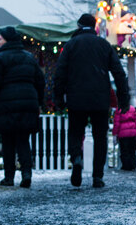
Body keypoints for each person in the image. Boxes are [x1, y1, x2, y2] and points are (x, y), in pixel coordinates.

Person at [54, 13, 129, 188]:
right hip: (100, 98)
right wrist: (123, 99)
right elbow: (118, 73)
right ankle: (97, 176)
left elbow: (60, 73)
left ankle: (77, 159)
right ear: (95, 26)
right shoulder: (104, 45)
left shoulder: (71, 45)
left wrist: (59, 98)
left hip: (76, 98)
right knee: (100, 137)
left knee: (75, 133)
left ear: (79, 26)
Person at [0, 26, 45, 188]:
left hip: (6, 105)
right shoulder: (29, 58)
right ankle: (26, 174)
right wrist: (39, 103)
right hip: (28, 104)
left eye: (0, 38)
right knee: (23, 140)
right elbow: (40, 82)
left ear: (7, 40)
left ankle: (9, 177)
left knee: (8, 142)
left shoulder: (0, 59)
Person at [112, 105, 136, 170]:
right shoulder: (132, 108)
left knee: (124, 150)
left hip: (123, 133)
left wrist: (115, 133)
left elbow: (117, 123)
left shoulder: (119, 110)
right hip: (133, 132)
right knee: (132, 150)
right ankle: (133, 165)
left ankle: (126, 166)